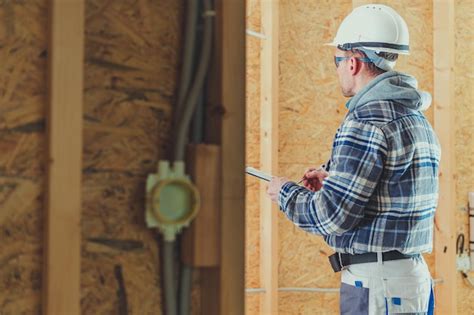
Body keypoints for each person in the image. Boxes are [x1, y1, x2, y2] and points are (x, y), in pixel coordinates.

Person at [267, 4, 439, 315]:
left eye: (337, 59)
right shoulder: (415, 118)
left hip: (379, 285)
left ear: (354, 62)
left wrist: (284, 192)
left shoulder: (365, 120)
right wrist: (334, 182)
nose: (336, 68)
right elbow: (389, 191)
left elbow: (332, 216)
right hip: (409, 279)